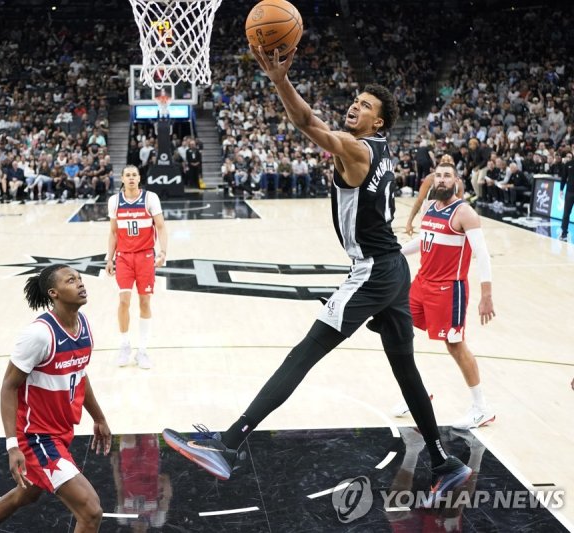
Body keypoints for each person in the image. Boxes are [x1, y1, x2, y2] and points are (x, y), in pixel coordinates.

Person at [162, 46, 471, 505]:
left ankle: (228, 444)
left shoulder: (357, 150)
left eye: (366, 105)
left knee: (304, 354)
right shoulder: (381, 149)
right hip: (392, 270)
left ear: (379, 122)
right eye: (356, 100)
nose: (355, 106)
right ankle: (445, 462)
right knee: (405, 370)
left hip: (372, 272)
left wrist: (279, 80)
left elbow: (308, 123)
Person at [0, 264, 111, 533]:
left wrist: (99, 417)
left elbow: (79, 373)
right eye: (71, 280)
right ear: (54, 293)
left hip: (61, 432)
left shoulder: (83, 326)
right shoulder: (39, 335)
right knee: (91, 511)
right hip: (36, 437)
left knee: (27, 493)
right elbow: (9, 386)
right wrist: (13, 446)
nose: (80, 283)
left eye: (80, 278)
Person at [397, 162, 496, 430]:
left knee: (455, 345)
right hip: (422, 284)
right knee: (399, 330)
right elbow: (424, 241)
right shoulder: (430, 207)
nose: (441, 180)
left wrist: (486, 295)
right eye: (438, 176)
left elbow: (482, 255)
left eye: (447, 176)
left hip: (448, 289)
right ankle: (417, 393)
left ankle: (481, 409)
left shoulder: (465, 213)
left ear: (456, 182)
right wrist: (397, 252)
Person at [106, 165, 168, 369]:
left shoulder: (150, 198)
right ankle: (125, 345)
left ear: (139, 178)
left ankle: (142, 350)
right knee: (124, 301)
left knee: (144, 302)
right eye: (128, 175)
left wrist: (163, 252)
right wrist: (109, 258)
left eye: (134, 175)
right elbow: (113, 232)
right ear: (122, 179)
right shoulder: (114, 201)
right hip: (124, 257)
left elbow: (161, 227)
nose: (131, 178)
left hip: (145, 256)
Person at [405, 154, 464, 237]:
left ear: (454, 163)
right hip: (430, 213)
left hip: (448, 214)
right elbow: (419, 201)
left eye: (449, 160)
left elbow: (460, 205)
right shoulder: (430, 179)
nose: (446, 162)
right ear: (439, 164)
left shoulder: (459, 182)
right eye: (443, 160)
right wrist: (409, 222)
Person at [559, 152, 574, 241]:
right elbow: (564, 177)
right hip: (569, 192)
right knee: (566, 213)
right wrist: (561, 189)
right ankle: (564, 233)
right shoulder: (568, 164)